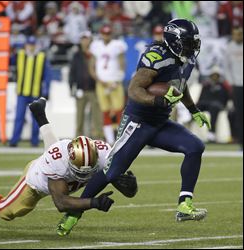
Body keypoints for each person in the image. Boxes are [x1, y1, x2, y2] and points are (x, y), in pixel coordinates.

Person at [57, 18, 211, 236]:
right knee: (112, 171)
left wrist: (193, 109)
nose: (193, 47)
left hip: (160, 122)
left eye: (194, 42)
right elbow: (134, 89)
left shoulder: (185, 58)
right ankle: (74, 213)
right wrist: (157, 101)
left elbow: (180, 85)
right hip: (138, 122)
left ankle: (184, 205)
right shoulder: (156, 57)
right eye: (188, 42)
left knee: (195, 147)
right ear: (174, 40)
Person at [0, 97, 137, 234]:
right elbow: (61, 203)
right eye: (80, 171)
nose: (85, 176)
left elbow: (129, 192)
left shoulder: (104, 153)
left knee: (53, 150)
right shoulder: (58, 162)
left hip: (58, 161)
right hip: (37, 182)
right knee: (6, 211)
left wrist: (129, 184)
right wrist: (94, 202)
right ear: (71, 162)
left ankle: (39, 113)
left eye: (89, 170)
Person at [9, 36, 52, 147]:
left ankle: (34, 141)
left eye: (33, 45)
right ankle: (14, 141)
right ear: (26, 45)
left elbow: (47, 76)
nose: (31, 47)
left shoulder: (41, 57)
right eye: (29, 44)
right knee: (19, 117)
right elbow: (9, 60)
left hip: (35, 92)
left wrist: (46, 91)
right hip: (22, 93)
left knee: (36, 119)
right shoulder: (20, 55)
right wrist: (11, 49)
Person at [89, 25, 127, 145]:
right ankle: (110, 140)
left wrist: (117, 80)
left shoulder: (117, 45)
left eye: (108, 33)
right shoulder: (96, 46)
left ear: (111, 34)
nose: (106, 36)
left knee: (118, 111)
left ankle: (120, 138)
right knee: (104, 111)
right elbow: (92, 66)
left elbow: (122, 64)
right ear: (101, 34)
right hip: (102, 83)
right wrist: (99, 80)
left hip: (114, 82)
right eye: (104, 33)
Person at [69, 31, 104, 140]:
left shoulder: (96, 54)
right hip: (80, 90)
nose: (85, 41)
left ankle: (99, 139)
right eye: (83, 39)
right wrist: (72, 88)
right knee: (79, 117)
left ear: (90, 40)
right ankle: (78, 140)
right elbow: (72, 72)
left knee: (97, 116)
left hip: (94, 89)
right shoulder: (77, 55)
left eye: (87, 38)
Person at [197, 66, 230, 142]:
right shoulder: (206, 85)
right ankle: (188, 126)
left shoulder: (223, 85)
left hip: (217, 105)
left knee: (213, 107)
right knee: (196, 107)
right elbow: (201, 97)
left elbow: (225, 98)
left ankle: (211, 134)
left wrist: (224, 105)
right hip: (206, 104)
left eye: (216, 75)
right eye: (213, 75)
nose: (214, 76)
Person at [224, 26, 243, 149]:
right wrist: (232, 82)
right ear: (233, 35)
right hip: (237, 86)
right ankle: (242, 142)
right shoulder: (229, 48)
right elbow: (226, 68)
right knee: (239, 114)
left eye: (240, 34)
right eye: (236, 34)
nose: (238, 36)